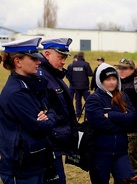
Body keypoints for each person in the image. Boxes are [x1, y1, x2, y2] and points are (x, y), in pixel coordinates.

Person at [0, 38, 56, 184]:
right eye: (33, 58)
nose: (39, 62)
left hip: (34, 160)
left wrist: (49, 114)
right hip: (22, 167)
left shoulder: (29, 85)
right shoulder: (17, 93)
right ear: (18, 62)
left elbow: (50, 109)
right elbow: (40, 127)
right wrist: (50, 115)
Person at [85, 63, 136, 184]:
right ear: (100, 81)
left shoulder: (122, 96)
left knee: (127, 180)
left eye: (114, 79)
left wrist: (112, 116)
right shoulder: (94, 99)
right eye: (108, 79)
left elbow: (133, 117)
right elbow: (99, 123)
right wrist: (122, 123)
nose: (112, 82)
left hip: (121, 152)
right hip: (100, 153)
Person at [38, 38, 78, 184]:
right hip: (50, 144)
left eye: (65, 58)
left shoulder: (53, 75)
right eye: (60, 57)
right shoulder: (42, 78)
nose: (63, 62)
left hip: (57, 141)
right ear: (47, 54)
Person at [115, 58, 137, 174]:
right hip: (117, 130)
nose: (121, 71)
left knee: (134, 163)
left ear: (133, 69)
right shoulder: (115, 84)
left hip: (133, 131)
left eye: (125, 68)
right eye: (119, 68)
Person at [71, 52, 93, 118]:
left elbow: (70, 74)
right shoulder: (85, 64)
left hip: (76, 85)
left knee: (78, 100)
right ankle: (87, 114)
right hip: (84, 86)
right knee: (88, 100)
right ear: (83, 56)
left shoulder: (73, 64)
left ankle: (78, 113)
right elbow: (90, 73)